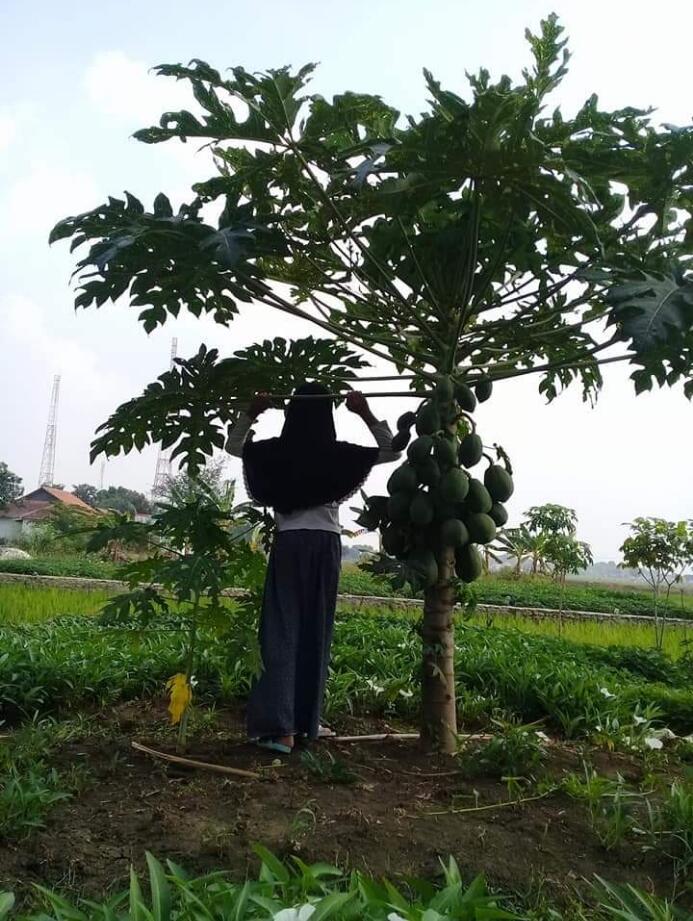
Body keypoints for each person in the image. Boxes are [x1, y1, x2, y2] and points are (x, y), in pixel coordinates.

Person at [226, 382, 400, 753]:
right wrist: (364, 412)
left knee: (281, 630)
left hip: (290, 543)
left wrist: (252, 411)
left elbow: (234, 445)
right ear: (328, 417)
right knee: (315, 631)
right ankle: (307, 724)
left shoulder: (275, 453)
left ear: (290, 415)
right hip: (325, 546)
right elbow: (390, 449)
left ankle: (282, 729)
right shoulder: (337, 455)